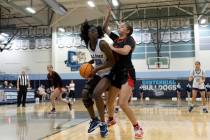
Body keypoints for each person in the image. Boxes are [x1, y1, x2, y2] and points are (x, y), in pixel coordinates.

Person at [102, 7, 144, 139]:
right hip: (116, 72)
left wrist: (111, 47)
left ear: (127, 31)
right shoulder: (116, 38)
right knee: (109, 102)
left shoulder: (129, 40)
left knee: (122, 103)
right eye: (119, 27)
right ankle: (111, 119)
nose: (119, 28)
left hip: (127, 73)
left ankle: (137, 127)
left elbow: (125, 51)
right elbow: (104, 29)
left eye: (121, 27)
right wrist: (108, 14)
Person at [80, 21, 117, 137]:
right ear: (87, 34)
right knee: (85, 94)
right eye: (91, 30)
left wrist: (95, 70)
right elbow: (96, 59)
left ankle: (103, 123)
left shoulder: (103, 44)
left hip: (110, 72)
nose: (94, 31)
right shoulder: (88, 45)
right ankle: (94, 119)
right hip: (99, 72)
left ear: (98, 33)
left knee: (96, 94)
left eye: (96, 30)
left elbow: (112, 61)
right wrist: (87, 64)